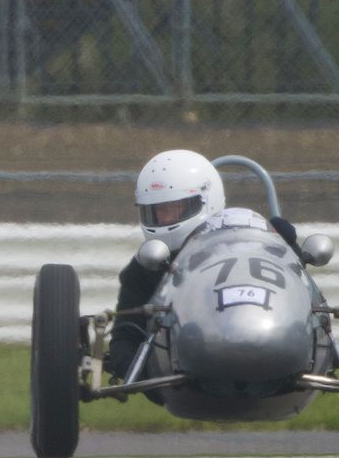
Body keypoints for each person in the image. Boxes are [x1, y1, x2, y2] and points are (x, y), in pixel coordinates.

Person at [106, 150, 312, 382]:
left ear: (204, 201)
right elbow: (125, 334)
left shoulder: (261, 246)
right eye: (157, 211)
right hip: (182, 365)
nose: (164, 218)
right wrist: (142, 371)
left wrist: (287, 246)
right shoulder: (147, 265)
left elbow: (305, 292)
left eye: (175, 208)